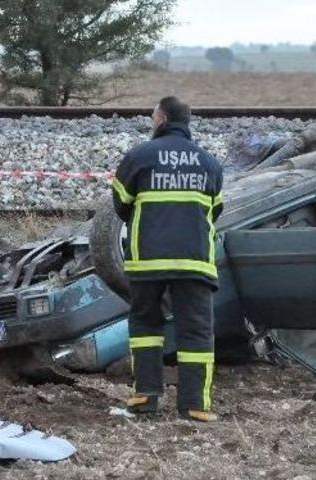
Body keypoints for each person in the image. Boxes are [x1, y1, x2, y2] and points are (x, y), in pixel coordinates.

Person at [111, 96, 224, 422]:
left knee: (146, 325)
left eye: (152, 117)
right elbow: (216, 209)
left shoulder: (138, 157)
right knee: (197, 332)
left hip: (147, 261)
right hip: (194, 261)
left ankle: (145, 397)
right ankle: (194, 406)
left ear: (161, 118)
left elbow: (120, 204)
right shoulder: (208, 162)